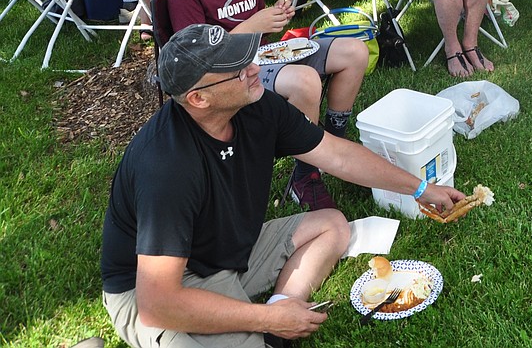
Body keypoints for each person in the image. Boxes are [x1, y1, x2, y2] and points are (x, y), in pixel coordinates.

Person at [99, 23, 465, 348]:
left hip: (227, 251)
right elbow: (158, 302)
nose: (256, 69)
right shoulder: (167, 165)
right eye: (238, 71)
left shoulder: (257, 107)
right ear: (199, 98)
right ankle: (269, 322)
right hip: (159, 289)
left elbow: (338, 155)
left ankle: (278, 320)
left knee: (331, 224)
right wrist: (263, 318)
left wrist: (421, 189)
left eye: (247, 58)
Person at [169, 0, 372, 211]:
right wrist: (253, 24)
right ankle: (305, 175)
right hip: (231, 73)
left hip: (267, 55)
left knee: (354, 51)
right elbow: (197, 60)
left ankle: (333, 141)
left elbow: (262, 29)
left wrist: (275, 16)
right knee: (305, 81)